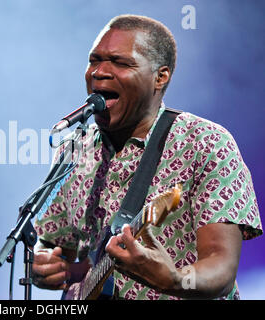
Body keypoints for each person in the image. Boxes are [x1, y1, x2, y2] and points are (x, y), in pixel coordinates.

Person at [32, 14, 262, 300]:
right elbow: (50, 241)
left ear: (160, 76)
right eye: (94, 60)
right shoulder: (76, 149)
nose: (99, 72)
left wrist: (176, 280)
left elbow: (222, 268)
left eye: (120, 62)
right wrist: (44, 263)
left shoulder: (205, 142)